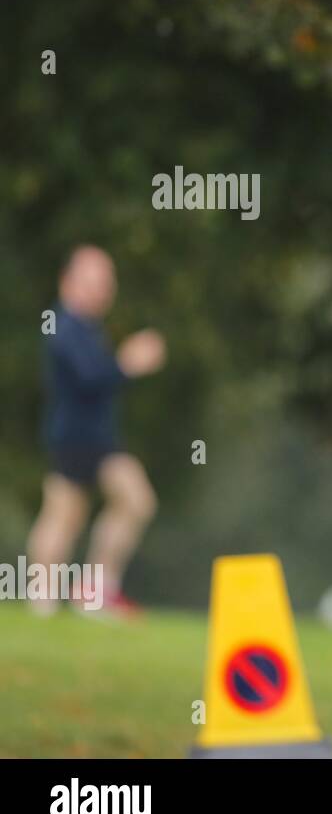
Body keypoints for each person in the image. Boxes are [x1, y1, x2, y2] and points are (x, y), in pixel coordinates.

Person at [25, 246, 166, 618]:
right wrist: (128, 362)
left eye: (105, 283)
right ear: (67, 282)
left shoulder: (88, 327)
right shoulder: (63, 323)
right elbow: (90, 379)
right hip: (74, 439)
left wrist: (123, 365)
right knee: (65, 514)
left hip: (98, 440)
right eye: (92, 282)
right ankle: (48, 595)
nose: (101, 290)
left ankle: (91, 590)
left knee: (130, 502)